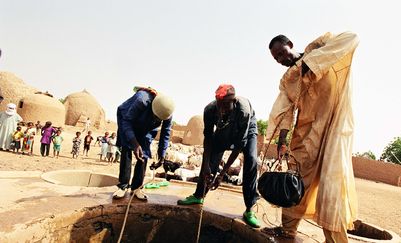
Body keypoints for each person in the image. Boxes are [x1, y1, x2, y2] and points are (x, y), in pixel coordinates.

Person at [265, 32, 359, 242]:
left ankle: (334, 239)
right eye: (276, 58)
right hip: (306, 135)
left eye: (282, 53)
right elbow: (284, 111)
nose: (281, 60)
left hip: (335, 128)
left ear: (290, 44)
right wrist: (281, 142)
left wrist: (314, 62)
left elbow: (352, 38)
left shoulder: (317, 48)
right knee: (296, 182)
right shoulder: (288, 79)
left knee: (331, 185)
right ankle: (287, 229)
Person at [177, 84, 260, 228]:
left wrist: (222, 174)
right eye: (219, 105)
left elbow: (239, 145)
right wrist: (206, 166)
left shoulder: (243, 111)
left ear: (233, 102)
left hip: (247, 129)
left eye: (226, 105)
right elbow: (208, 138)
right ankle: (199, 195)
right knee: (210, 160)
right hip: (225, 127)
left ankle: (249, 209)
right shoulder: (210, 110)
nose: (222, 109)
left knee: (252, 160)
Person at [112, 86, 174, 201]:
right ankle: (123, 185)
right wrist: (134, 144)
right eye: (156, 117)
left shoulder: (166, 112)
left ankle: (137, 187)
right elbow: (127, 121)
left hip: (146, 125)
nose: (157, 120)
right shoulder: (141, 100)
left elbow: (165, 133)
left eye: (159, 120)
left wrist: (162, 154)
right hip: (127, 119)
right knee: (127, 148)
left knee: (144, 152)